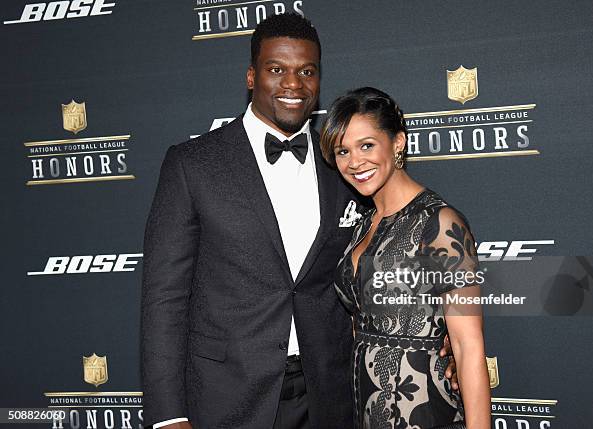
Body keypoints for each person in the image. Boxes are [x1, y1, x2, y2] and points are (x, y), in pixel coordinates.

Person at [141, 14, 458, 429]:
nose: (294, 84)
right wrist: (167, 415)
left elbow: (390, 254)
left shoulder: (343, 166)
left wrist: (445, 331)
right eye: (277, 70)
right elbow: (164, 297)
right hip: (227, 396)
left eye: (307, 71)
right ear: (251, 77)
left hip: (331, 394)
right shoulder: (192, 164)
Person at [320, 87, 491, 428]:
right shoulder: (363, 225)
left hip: (426, 412)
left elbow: (467, 345)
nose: (354, 162)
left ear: (398, 142)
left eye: (366, 145)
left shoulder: (439, 222)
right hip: (366, 412)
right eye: (343, 151)